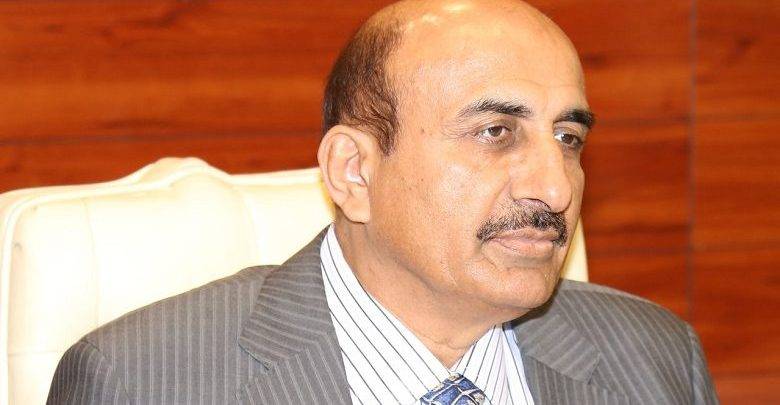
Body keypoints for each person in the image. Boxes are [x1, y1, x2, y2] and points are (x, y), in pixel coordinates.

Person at [47, 0, 718, 404]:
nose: (557, 187)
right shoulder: (144, 381)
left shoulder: (655, 360)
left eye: (568, 138)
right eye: (495, 132)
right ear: (355, 173)